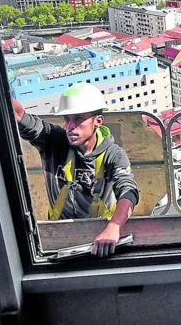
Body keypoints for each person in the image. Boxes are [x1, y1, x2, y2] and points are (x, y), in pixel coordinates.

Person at [11, 83, 139, 257]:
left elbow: (128, 190)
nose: (70, 126)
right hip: (58, 236)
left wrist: (114, 227)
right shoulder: (54, 141)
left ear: (98, 121)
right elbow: (21, 117)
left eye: (78, 118)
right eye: (67, 119)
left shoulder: (113, 154)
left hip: (100, 237)